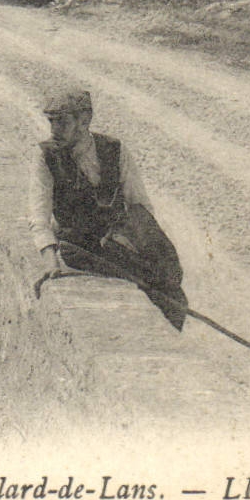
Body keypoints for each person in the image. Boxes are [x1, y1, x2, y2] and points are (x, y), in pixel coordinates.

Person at [30, 86, 187, 329]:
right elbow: (39, 216)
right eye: (51, 122)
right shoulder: (45, 156)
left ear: (84, 121)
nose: (54, 130)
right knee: (141, 284)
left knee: (170, 288)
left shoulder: (114, 150)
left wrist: (141, 244)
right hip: (79, 247)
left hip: (114, 241)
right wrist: (50, 260)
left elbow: (139, 206)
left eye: (61, 122)